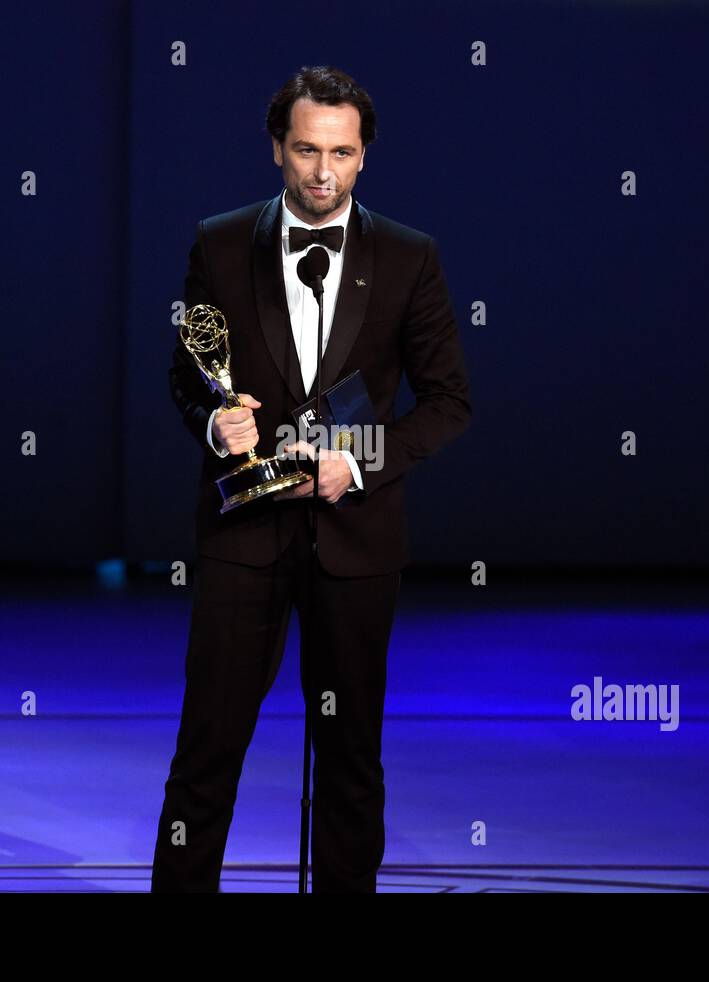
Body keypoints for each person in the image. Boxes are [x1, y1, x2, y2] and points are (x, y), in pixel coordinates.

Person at [152, 65, 472, 892]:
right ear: (276, 150)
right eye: (305, 150)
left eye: (341, 152)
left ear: (364, 157)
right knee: (207, 749)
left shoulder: (409, 257)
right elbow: (191, 379)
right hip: (242, 538)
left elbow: (447, 403)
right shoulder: (220, 245)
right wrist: (215, 423)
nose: (322, 172)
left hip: (355, 543)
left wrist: (359, 462)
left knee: (351, 758)